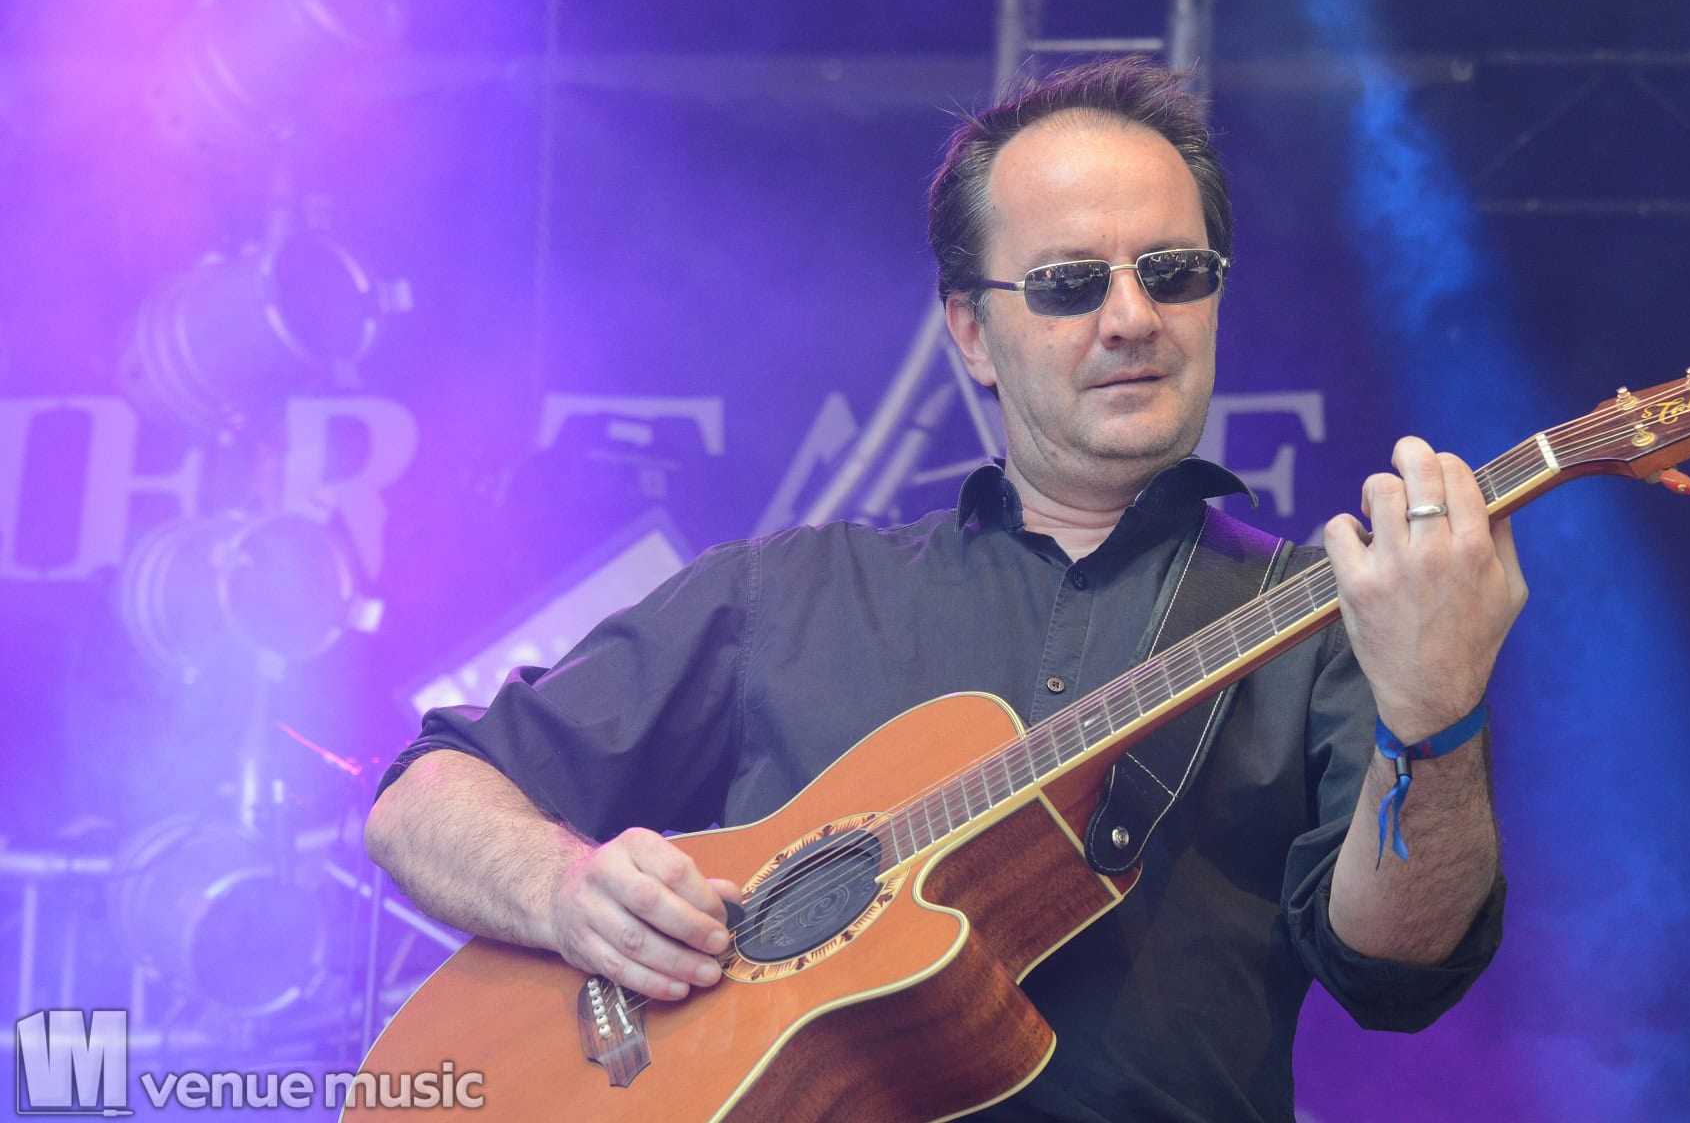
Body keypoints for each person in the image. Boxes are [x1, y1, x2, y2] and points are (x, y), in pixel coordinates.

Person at [364, 57, 1527, 1121]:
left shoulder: (1332, 613)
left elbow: (1399, 970)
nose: (1132, 318)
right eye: (1069, 284)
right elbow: (423, 795)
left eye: (1173, 274)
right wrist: (568, 892)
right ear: (971, 331)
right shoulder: (788, 592)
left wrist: (1435, 716)